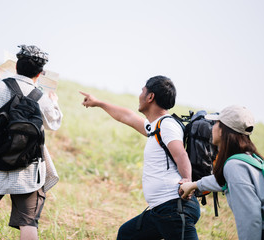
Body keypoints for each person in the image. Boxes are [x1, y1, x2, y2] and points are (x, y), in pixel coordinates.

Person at [80, 75, 200, 240]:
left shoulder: (167, 125)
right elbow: (127, 116)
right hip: (161, 210)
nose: (139, 95)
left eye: (142, 91)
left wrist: (187, 179)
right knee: (127, 235)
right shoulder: (155, 126)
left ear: (150, 97)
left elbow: (180, 154)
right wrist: (98, 103)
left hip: (174, 208)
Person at [0, 45, 63, 240]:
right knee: (28, 223)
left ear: (16, 65)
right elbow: (54, 122)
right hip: (27, 170)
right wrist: (54, 101)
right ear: (40, 74)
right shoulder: (41, 98)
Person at [180, 105, 264, 240]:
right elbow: (227, 180)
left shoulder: (234, 166)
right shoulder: (250, 158)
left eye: (216, 123)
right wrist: (194, 185)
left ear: (223, 131)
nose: (212, 127)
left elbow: (250, 217)